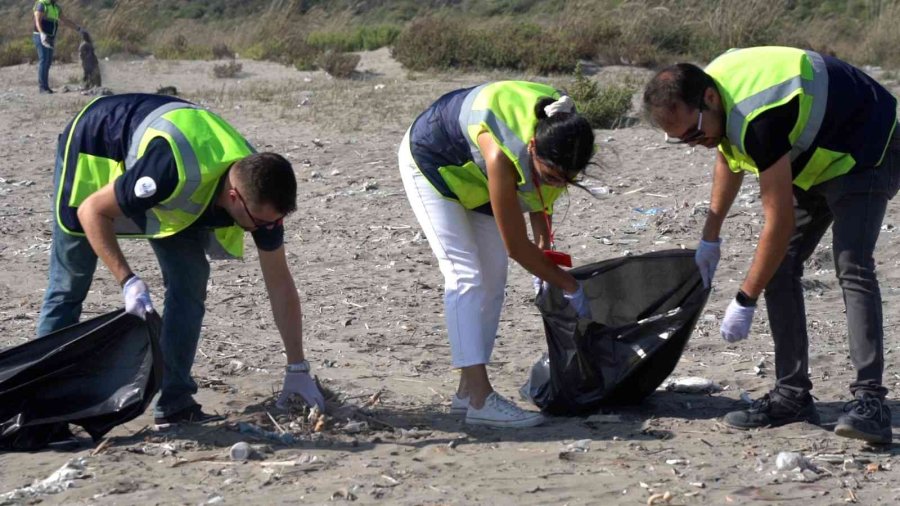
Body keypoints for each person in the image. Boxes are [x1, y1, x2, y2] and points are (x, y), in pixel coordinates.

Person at [643, 46, 899, 444]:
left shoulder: (759, 117)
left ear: (709, 98)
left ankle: (870, 402)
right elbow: (728, 156)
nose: (695, 142)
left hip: (868, 145)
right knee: (780, 267)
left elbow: (777, 224)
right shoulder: (713, 97)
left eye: (694, 132)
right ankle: (792, 395)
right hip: (812, 153)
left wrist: (744, 299)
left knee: (852, 264)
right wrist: (709, 236)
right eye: (682, 141)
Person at [37, 93, 324, 429]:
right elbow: (91, 211)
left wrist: (297, 367)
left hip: (179, 189)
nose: (267, 229)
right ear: (233, 198)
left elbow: (279, 283)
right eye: (261, 223)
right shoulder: (171, 170)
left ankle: (174, 402)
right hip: (95, 144)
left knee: (190, 280)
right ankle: (41, 410)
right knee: (70, 284)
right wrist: (128, 281)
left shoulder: (258, 189)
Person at [398, 81, 595, 428]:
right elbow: (517, 247)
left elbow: (539, 199)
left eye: (568, 180)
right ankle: (479, 397)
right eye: (551, 176)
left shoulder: (564, 133)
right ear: (532, 147)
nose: (558, 186)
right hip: (431, 162)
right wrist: (569, 286)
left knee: (493, 277)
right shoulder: (500, 152)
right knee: (465, 274)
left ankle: (464, 394)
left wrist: (545, 252)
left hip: (474, 178)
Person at [33, 0, 87, 94]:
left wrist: (78, 28)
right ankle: (42, 88)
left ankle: (46, 87)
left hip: (50, 37)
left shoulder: (56, 7)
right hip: (40, 36)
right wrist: (42, 34)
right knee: (44, 60)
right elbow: (37, 20)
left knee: (48, 61)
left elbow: (65, 20)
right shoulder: (42, 4)